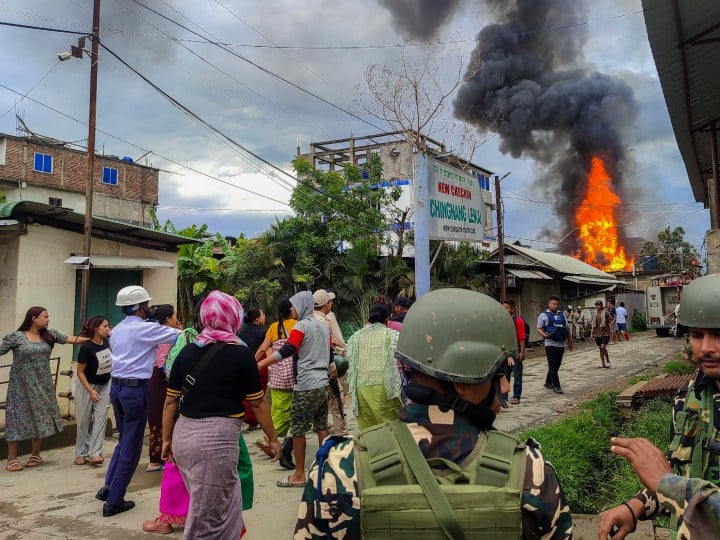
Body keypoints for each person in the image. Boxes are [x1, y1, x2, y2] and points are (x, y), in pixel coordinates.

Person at [294, 289, 573, 539]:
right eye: (498, 372)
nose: (505, 386)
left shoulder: (340, 469)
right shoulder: (529, 470)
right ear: (462, 380)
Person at [598, 273, 720, 539]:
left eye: (718, 335)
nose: (706, 348)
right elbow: (681, 471)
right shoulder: (690, 398)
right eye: (697, 335)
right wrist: (637, 506)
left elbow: (671, 484)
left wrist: (666, 485)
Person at [162, 290, 280, 539]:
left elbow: (171, 401)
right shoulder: (240, 354)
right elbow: (257, 404)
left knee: (219, 503)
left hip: (184, 436)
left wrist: (166, 439)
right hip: (216, 441)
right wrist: (273, 438)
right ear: (233, 317)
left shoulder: (187, 352)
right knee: (210, 518)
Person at [95, 286, 180, 517]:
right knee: (131, 447)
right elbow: (178, 335)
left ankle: (108, 487)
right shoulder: (148, 329)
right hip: (135, 390)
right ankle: (114, 501)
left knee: (124, 441)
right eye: (147, 305)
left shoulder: (118, 329)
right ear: (141, 307)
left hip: (118, 387)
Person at [2, 307, 89, 472]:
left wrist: (94, 335)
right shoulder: (16, 337)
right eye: (45, 317)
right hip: (20, 386)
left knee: (39, 416)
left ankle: (36, 454)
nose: (48, 320)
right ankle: (12, 458)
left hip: (43, 384)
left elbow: (73, 339)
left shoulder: (50, 335)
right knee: (15, 418)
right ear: (34, 318)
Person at [259, 290, 331, 489]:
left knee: (298, 431)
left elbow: (288, 349)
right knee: (321, 426)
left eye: (294, 306)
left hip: (306, 384)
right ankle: (325, 471)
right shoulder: (323, 325)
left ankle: (299, 475)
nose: (291, 310)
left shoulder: (301, 326)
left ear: (302, 306)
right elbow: (330, 352)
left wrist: (261, 364)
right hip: (322, 384)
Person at [254, 299, 298, 469]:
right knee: (296, 410)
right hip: (295, 374)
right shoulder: (298, 324)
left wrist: (252, 363)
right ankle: (280, 438)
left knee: (279, 409)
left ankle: (271, 435)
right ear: (291, 310)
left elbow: (262, 349)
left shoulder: (273, 327)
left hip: (278, 374)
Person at [346, 304, 402, 431]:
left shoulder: (355, 337)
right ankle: (392, 450)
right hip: (384, 388)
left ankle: (374, 450)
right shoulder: (391, 335)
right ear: (387, 319)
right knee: (391, 426)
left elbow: (350, 358)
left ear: (369, 318)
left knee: (368, 428)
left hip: (360, 388)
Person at [146, 304, 182, 473]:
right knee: (167, 417)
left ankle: (155, 459)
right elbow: (165, 362)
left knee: (155, 419)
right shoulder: (169, 335)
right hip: (163, 378)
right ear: (167, 319)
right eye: (175, 316)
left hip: (151, 378)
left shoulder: (150, 332)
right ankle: (164, 457)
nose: (177, 319)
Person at [74, 315, 112, 466]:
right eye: (105, 326)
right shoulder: (87, 349)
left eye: (108, 326)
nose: (107, 329)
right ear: (96, 328)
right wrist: (90, 391)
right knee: (83, 419)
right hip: (87, 385)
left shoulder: (108, 343)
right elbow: (80, 372)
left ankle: (95, 452)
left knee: (100, 418)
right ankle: (81, 453)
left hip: (105, 384)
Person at [312, 289, 347, 436]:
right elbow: (330, 346)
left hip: (311, 371)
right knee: (336, 403)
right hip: (327, 368)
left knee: (316, 407)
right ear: (326, 304)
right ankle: (341, 434)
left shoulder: (306, 321)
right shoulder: (325, 321)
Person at [537, 295, 573, 394]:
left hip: (561, 344)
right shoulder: (543, 315)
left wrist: (570, 341)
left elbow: (566, 329)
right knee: (552, 366)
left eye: (557, 304)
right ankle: (557, 386)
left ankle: (548, 382)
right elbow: (538, 328)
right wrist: (544, 334)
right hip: (550, 344)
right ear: (549, 304)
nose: (555, 306)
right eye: (553, 304)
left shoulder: (562, 315)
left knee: (556, 366)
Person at [239, 307, 267, 429]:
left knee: (246, 393)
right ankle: (253, 419)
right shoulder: (264, 331)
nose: (264, 317)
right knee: (259, 394)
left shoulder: (242, 332)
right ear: (256, 319)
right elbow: (264, 349)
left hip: (243, 363)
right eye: (263, 315)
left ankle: (251, 420)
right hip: (259, 363)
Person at [502, 299, 526, 405]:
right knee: (504, 376)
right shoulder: (502, 321)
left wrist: (522, 351)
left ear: (512, 309)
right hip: (505, 353)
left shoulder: (518, 320)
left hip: (515, 352)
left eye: (506, 308)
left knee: (517, 375)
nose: (504, 310)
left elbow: (522, 337)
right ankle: (504, 397)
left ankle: (516, 396)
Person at [589, 300, 612, 369]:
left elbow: (611, 321)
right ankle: (603, 363)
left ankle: (607, 360)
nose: (597, 306)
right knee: (600, 348)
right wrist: (591, 333)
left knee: (603, 347)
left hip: (606, 333)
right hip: (598, 334)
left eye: (599, 305)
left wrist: (612, 329)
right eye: (596, 305)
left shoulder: (606, 313)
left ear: (601, 306)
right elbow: (593, 324)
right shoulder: (595, 314)